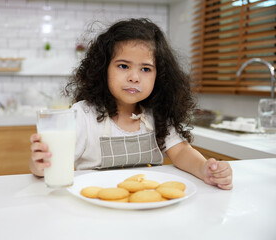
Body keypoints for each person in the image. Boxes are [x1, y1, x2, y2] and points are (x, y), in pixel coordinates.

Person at [30, 18, 233, 190]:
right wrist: (39, 165)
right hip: (96, 207)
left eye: (145, 69)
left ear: (159, 76)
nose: (134, 77)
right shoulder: (83, 114)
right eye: (123, 66)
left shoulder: (157, 115)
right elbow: (56, 161)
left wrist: (205, 168)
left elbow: (180, 152)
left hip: (145, 207)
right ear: (103, 69)